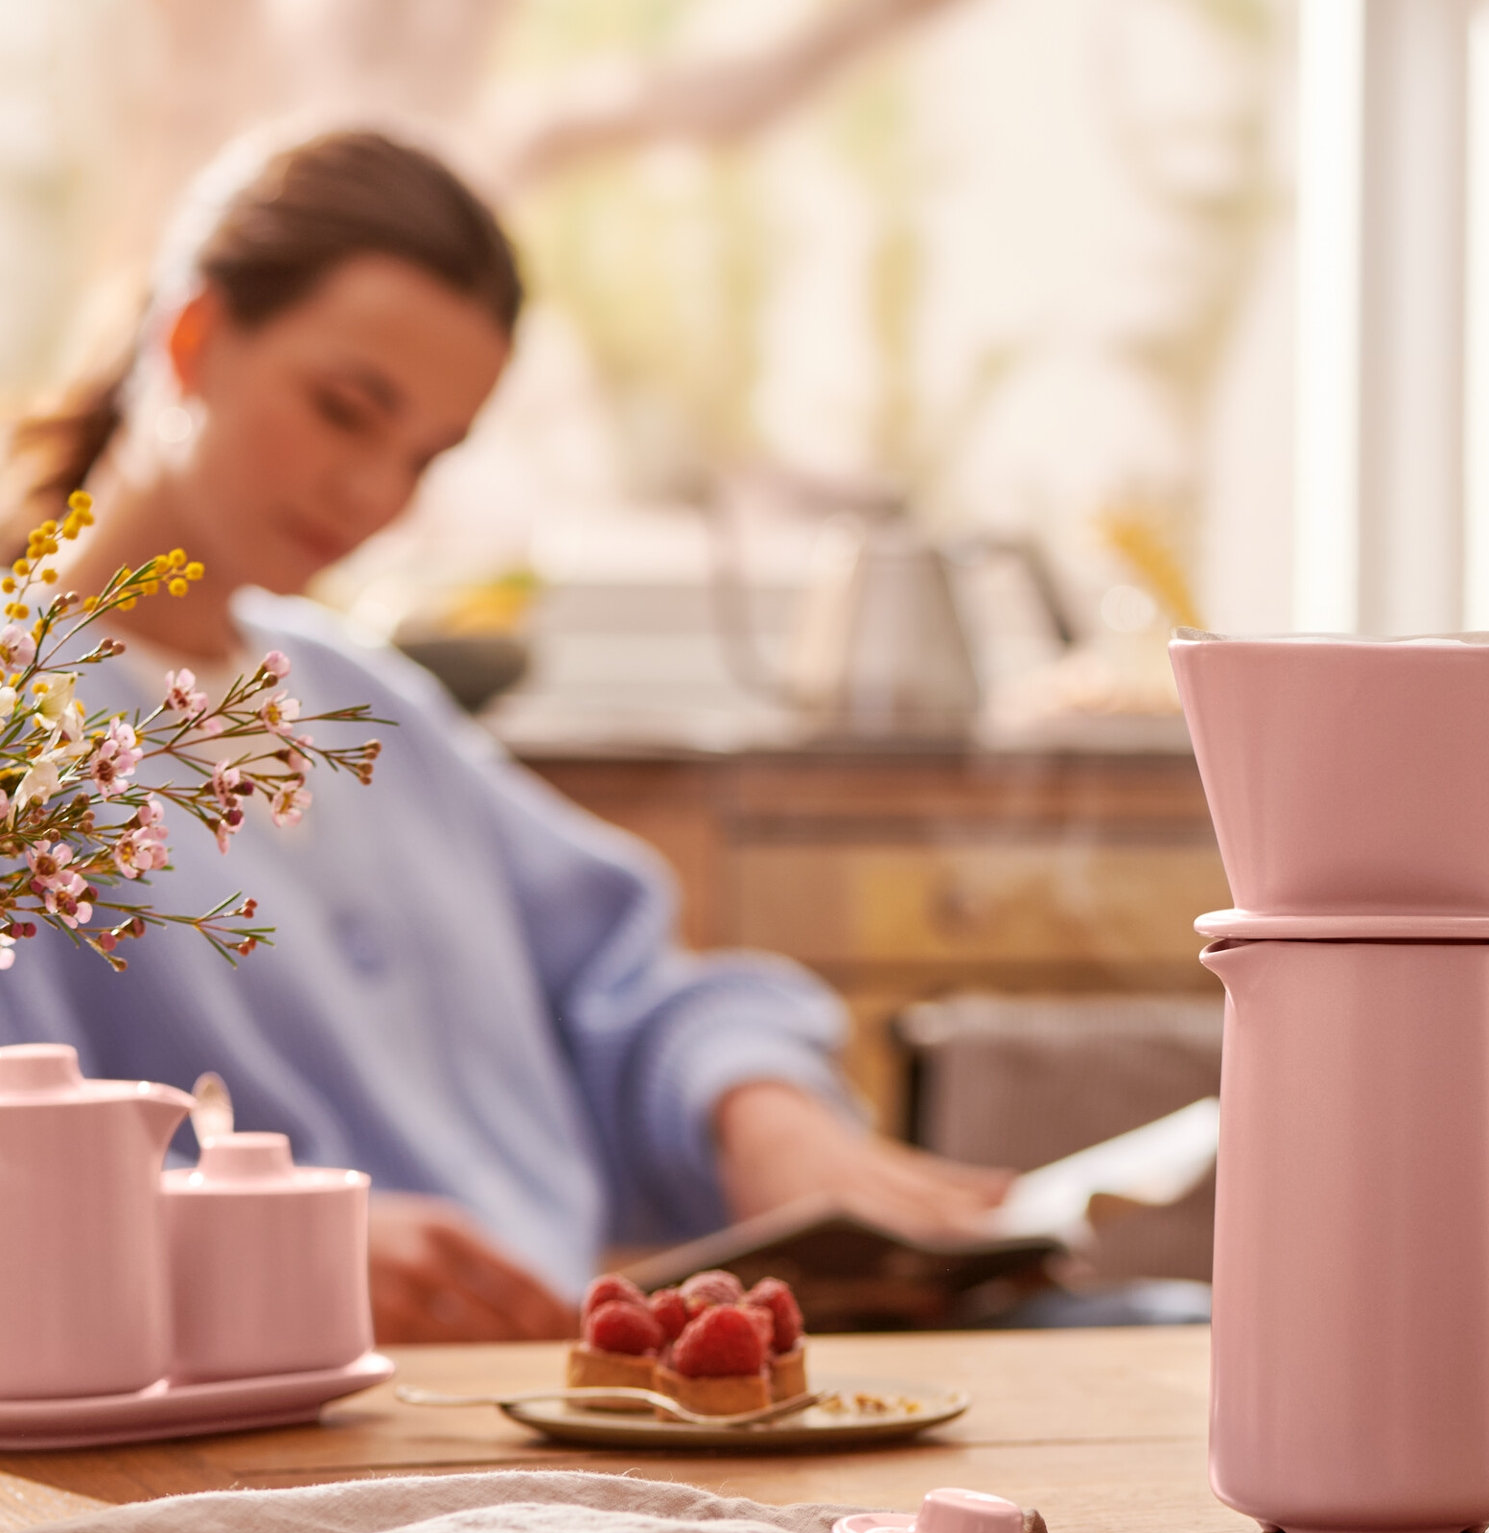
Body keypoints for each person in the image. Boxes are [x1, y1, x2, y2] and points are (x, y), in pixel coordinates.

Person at [0, 128, 1008, 1341]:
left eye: (427, 454)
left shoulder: (366, 709)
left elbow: (634, 986)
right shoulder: (29, 716)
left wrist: (765, 1114)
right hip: (267, 1426)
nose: (375, 494)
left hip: (548, 1379)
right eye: (343, 410)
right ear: (197, 337)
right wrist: (255, 1243)